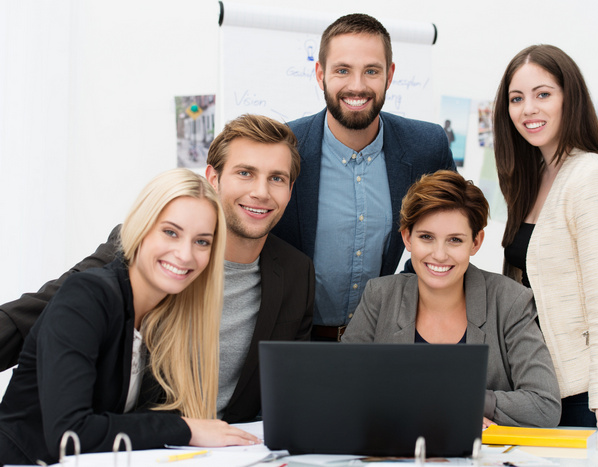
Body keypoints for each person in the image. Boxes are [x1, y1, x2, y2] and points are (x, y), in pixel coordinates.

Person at [0, 114, 314, 424]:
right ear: (214, 179)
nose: (261, 191)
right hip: (141, 442)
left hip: (234, 450)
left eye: (277, 178)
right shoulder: (154, 248)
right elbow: (45, 311)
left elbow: (293, 387)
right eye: (245, 173)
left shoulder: (296, 273)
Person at [0, 169, 263, 465]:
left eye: (202, 241)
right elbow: (69, 433)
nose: (185, 254)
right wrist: (186, 429)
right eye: (171, 232)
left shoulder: (168, 317)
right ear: (141, 228)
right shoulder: (87, 297)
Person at [492, 44, 598, 457]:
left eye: (543, 94)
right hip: (536, 382)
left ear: (569, 98)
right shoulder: (533, 177)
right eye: (516, 98)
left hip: (584, 389)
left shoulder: (591, 177)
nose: (528, 109)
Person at [272, 13, 455, 341]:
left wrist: (405, 296)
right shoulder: (282, 149)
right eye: (342, 70)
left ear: (390, 76)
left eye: (371, 71)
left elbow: (454, 233)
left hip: (382, 342)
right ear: (320, 74)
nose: (357, 86)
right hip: (294, 343)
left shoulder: (426, 146)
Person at [342, 170, 561, 428]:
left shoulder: (510, 300)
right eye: (426, 237)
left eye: (455, 240)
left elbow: (544, 406)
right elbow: (342, 389)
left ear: (476, 242)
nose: (439, 254)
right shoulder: (380, 295)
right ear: (407, 237)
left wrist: (461, 402)